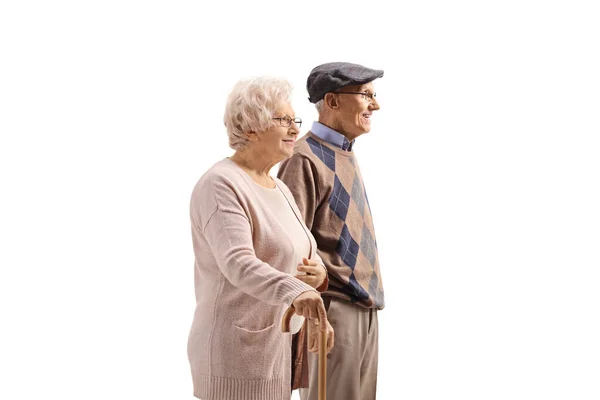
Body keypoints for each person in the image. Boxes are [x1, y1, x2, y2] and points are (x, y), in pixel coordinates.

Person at [187, 76, 334, 400]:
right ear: (250, 128)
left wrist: (319, 274)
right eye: (284, 120)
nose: (296, 129)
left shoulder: (278, 186)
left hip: (275, 353)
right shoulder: (221, 184)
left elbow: (301, 247)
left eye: (295, 120)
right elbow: (237, 262)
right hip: (234, 357)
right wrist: (297, 291)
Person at [277, 62, 385, 400]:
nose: (375, 105)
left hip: (364, 307)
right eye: (366, 95)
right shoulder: (303, 158)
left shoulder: (344, 153)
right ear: (333, 101)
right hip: (332, 309)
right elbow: (287, 246)